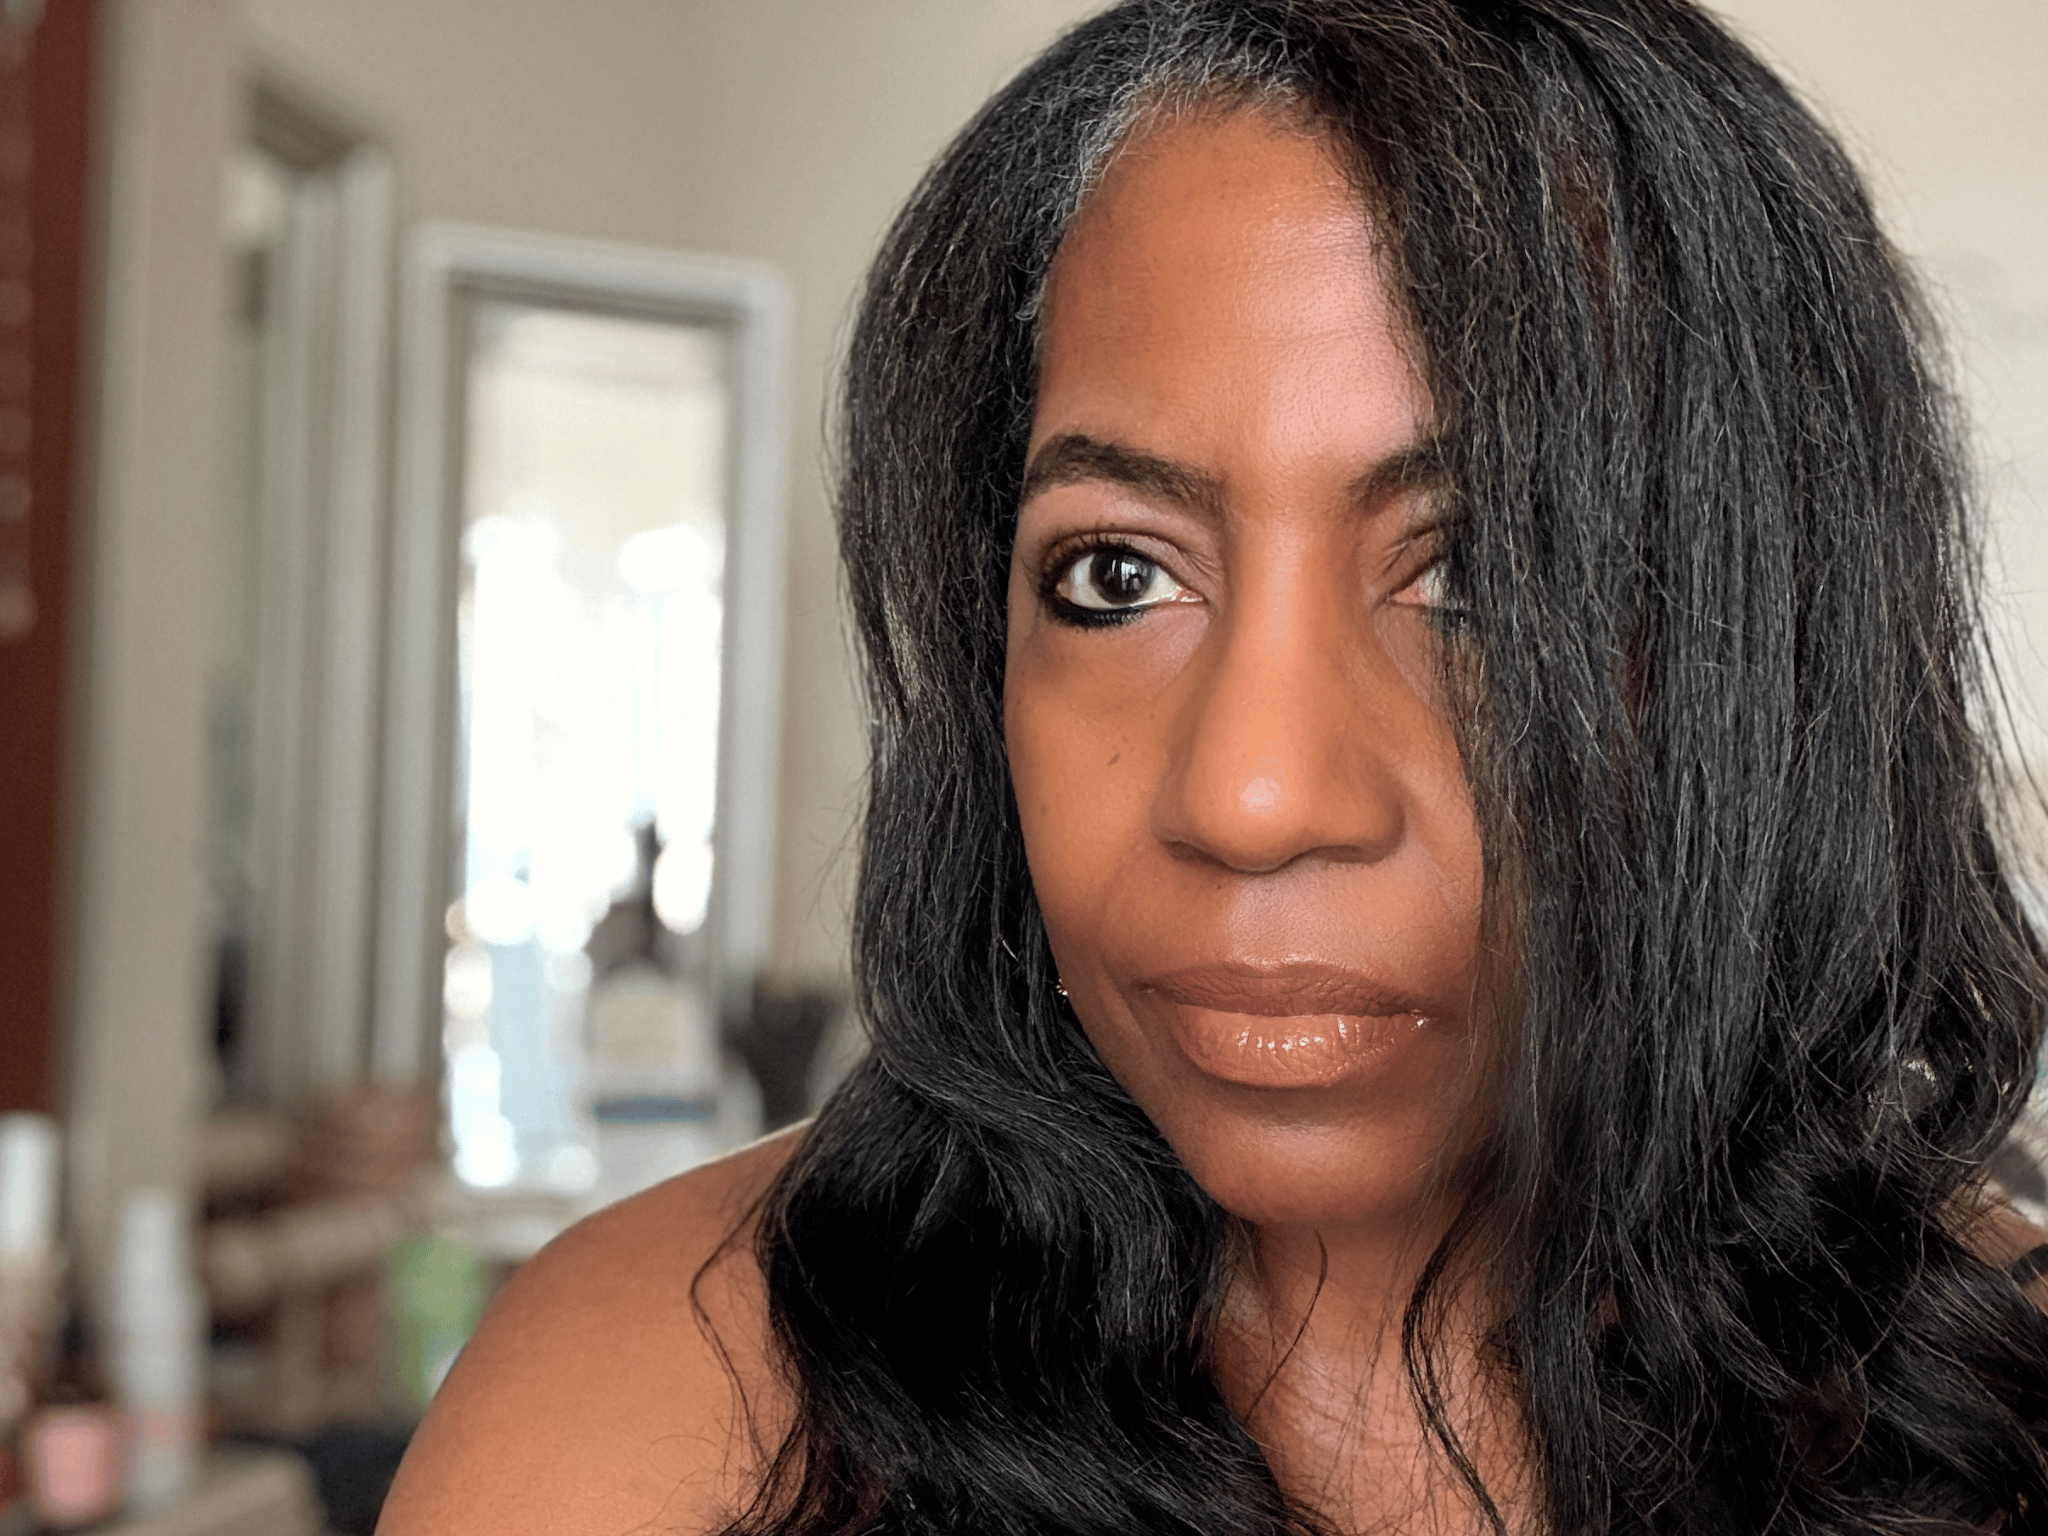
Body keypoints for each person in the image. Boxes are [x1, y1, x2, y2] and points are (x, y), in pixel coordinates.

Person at [378, 2, 2048, 1532]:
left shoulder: (1998, 1416)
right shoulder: (631, 1432)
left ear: (1775, 651)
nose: (1251, 798)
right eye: (1117, 574)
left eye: (1484, 573)